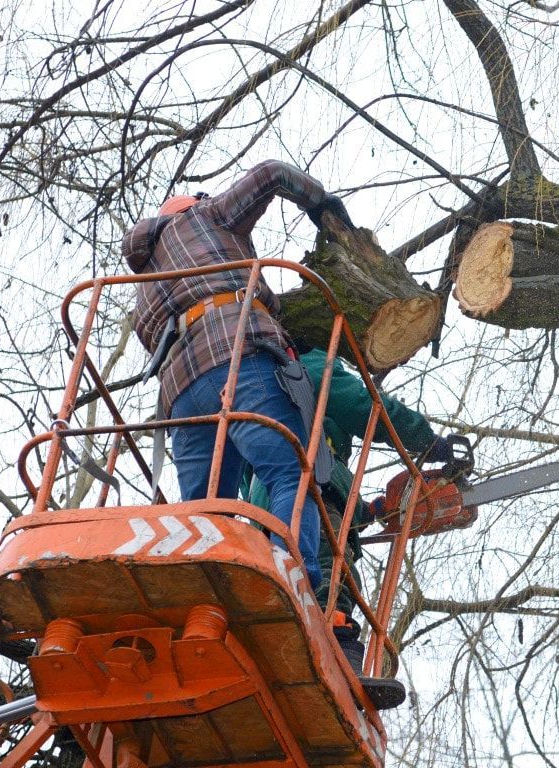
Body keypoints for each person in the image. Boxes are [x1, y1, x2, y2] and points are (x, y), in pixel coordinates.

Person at [122, 160, 353, 589]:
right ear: (191, 206)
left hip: (182, 397)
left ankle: (211, 592)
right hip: (239, 359)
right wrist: (321, 202)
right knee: (288, 473)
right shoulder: (205, 216)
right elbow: (270, 174)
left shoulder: (145, 284)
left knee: (207, 510)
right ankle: (292, 578)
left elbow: (149, 338)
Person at [244, 349, 456, 696]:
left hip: (266, 507)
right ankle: (341, 655)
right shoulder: (310, 361)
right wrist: (429, 442)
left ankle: (276, 647)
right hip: (311, 486)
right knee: (329, 568)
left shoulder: (254, 384)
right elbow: (363, 406)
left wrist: (368, 511)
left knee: (287, 573)